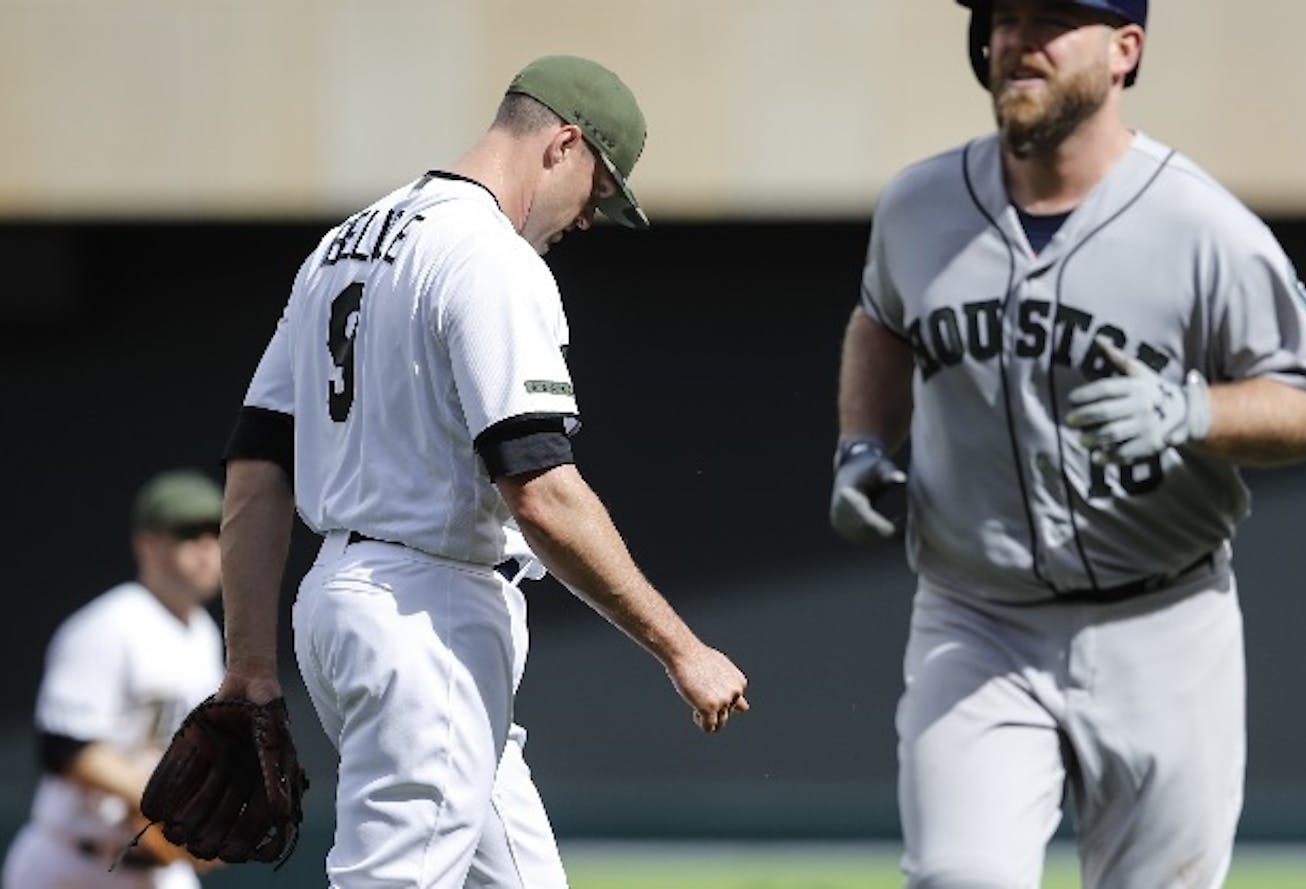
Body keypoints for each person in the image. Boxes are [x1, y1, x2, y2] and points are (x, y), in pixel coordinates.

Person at [829, 2, 1306, 887]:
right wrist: (859, 443)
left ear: (1125, 52)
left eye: (1055, 18)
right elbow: (880, 320)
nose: (1019, 38)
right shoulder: (919, 204)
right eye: (1006, 16)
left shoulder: (1199, 224)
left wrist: (1197, 411)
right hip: (977, 619)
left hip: (1164, 626)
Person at [216, 54, 749, 888]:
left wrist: (249, 667)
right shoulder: (490, 256)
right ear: (562, 144)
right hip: (426, 613)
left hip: (346, 602)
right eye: (601, 188)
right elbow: (539, 488)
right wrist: (681, 648)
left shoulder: (340, 246)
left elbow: (256, 469)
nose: (591, 217)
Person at [3, 470, 226, 889]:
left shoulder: (204, 636)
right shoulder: (108, 625)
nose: (207, 549)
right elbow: (63, 747)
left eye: (216, 534)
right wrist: (160, 798)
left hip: (158, 870)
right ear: (148, 545)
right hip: (74, 863)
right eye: (188, 534)